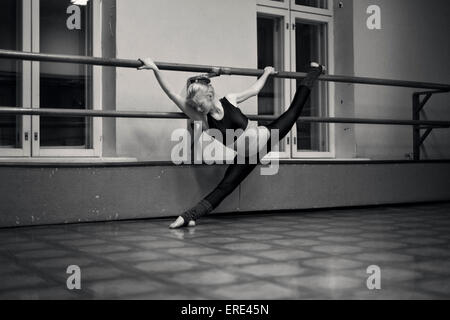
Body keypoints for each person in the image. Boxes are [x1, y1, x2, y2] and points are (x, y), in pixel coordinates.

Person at [137, 58, 325, 229]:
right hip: (248, 156)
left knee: (294, 111)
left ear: (210, 96)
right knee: (225, 187)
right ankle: (187, 217)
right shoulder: (203, 119)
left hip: (268, 136)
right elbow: (171, 94)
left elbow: (255, 90)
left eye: (200, 104)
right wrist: (155, 68)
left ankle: (315, 71)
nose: (198, 109)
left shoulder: (229, 100)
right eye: (195, 106)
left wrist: (266, 72)